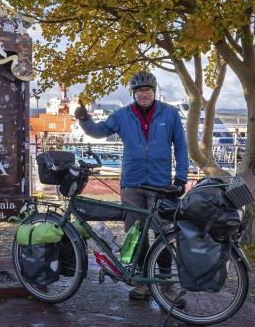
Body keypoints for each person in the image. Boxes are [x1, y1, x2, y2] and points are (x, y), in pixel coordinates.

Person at [74, 71, 188, 303]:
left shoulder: (170, 113)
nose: (143, 94)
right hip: (132, 185)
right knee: (136, 235)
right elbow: (99, 131)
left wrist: (181, 179)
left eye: (147, 90)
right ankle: (142, 282)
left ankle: (166, 284)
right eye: (139, 91)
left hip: (161, 185)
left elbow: (181, 147)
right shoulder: (122, 115)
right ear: (133, 93)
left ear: (154, 91)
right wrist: (84, 119)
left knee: (164, 233)